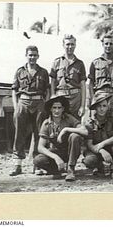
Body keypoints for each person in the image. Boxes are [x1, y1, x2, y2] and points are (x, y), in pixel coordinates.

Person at [10, 45, 50, 176]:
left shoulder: (43, 72)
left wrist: (46, 105)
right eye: (30, 55)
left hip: (39, 103)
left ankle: (37, 164)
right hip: (23, 101)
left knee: (39, 133)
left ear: (38, 56)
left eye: (34, 55)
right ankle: (17, 165)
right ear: (26, 56)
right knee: (19, 133)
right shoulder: (19, 71)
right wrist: (16, 107)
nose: (32, 57)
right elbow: (14, 90)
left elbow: (48, 90)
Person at [33, 95, 84, 181]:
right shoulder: (46, 123)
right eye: (54, 108)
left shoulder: (69, 118)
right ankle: (57, 170)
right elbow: (40, 147)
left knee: (75, 136)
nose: (57, 110)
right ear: (50, 109)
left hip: (70, 152)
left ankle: (70, 169)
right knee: (38, 160)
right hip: (56, 152)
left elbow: (84, 130)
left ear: (63, 109)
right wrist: (56, 157)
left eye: (59, 108)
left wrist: (66, 130)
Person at [82, 92, 113, 181]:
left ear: (108, 107)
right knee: (89, 160)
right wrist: (101, 150)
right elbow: (89, 144)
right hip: (96, 151)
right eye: (99, 106)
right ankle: (99, 167)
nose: (102, 109)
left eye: (104, 106)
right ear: (95, 108)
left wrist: (102, 144)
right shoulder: (90, 122)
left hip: (111, 148)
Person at [88, 34, 113, 120]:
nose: (108, 46)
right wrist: (92, 99)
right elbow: (90, 84)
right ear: (103, 45)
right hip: (100, 94)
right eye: (106, 44)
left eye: (111, 44)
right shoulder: (95, 63)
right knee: (97, 123)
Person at [49, 34, 86, 121]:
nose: (70, 47)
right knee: (60, 123)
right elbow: (53, 82)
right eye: (67, 44)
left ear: (75, 45)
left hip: (75, 98)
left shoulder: (80, 63)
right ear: (63, 45)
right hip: (61, 97)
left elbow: (83, 85)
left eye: (72, 44)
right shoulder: (57, 62)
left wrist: (82, 106)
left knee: (75, 125)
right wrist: (53, 95)